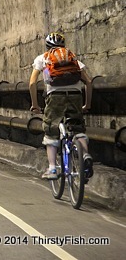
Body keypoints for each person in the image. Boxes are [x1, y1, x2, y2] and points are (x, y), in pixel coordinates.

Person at [29, 32, 93, 180]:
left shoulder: (43, 58)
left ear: (47, 46)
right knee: (77, 128)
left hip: (55, 98)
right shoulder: (73, 58)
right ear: (63, 46)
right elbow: (88, 82)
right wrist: (87, 104)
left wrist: (35, 105)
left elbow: (32, 83)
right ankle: (85, 156)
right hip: (75, 96)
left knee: (51, 130)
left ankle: (52, 169)